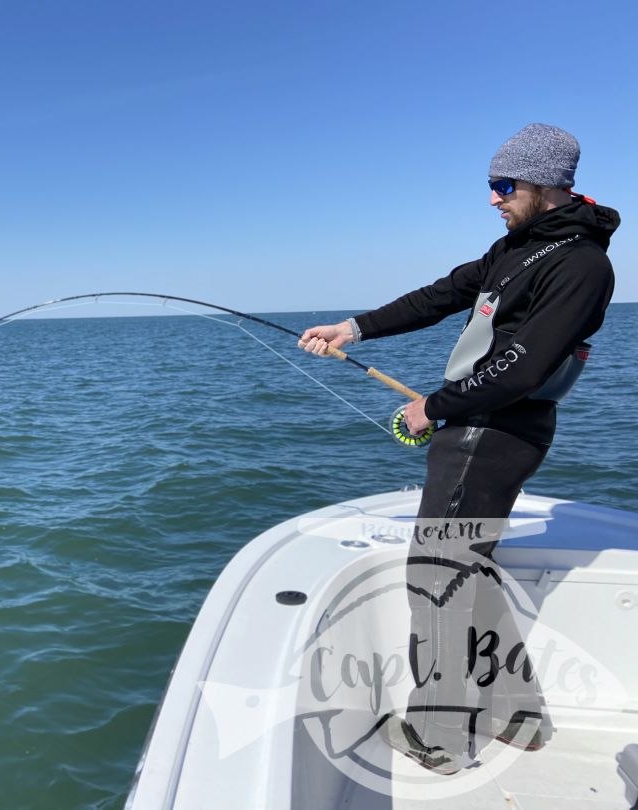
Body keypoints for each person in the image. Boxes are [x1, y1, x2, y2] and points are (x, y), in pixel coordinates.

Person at [298, 123, 619, 774]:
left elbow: (525, 369)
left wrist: (431, 409)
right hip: (476, 425)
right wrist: (352, 329)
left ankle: (438, 738)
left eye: (505, 186)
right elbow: (443, 294)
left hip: (492, 433)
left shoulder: (581, 265)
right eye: (492, 185)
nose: (493, 198)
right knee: (466, 569)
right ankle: (515, 714)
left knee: (438, 580)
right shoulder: (518, 248)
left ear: (548, 185)